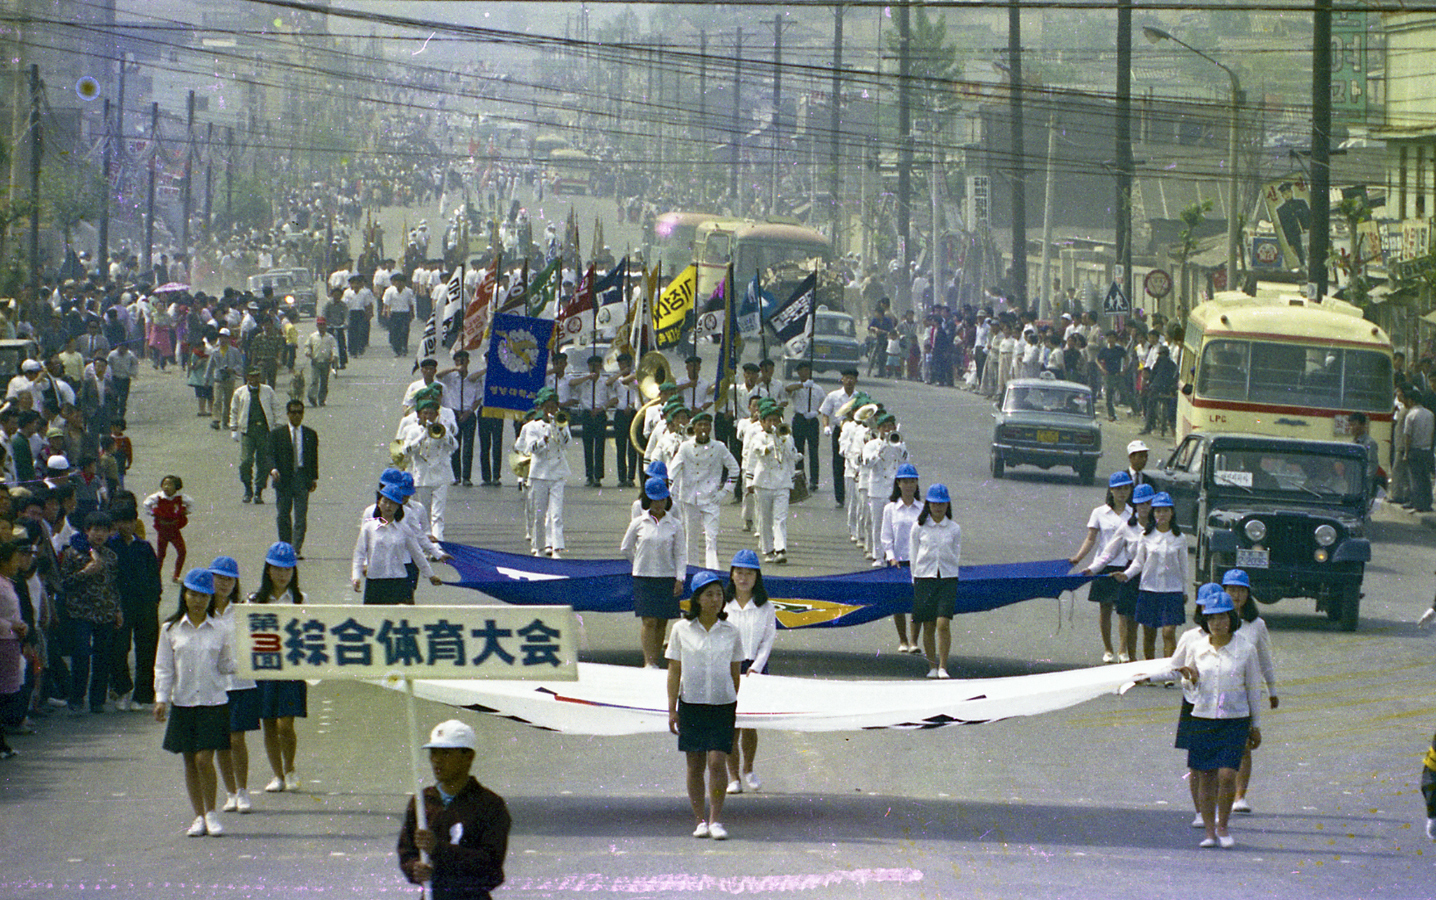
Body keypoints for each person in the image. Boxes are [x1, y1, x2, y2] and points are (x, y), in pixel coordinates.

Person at [1166, 590, 1263, 849]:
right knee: (1205, 776)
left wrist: (1256, 726)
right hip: (1203, 717)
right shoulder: (1196, 648)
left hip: (1235, 719)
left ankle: (1223, 825)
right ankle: (1209, 832)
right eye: (1211, 619)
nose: (1217, 623)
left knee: (1227, 774)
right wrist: (1192, 679)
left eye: (1222, 618)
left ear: (1231, 618)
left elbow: (1253, 689)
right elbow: (1189, 688)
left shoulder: (1246, 649)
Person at [154, 568, 237, 838]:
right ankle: (198, 816)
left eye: (204, 595)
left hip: (214, 701)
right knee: (190, 760)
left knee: (204, 759)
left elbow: (226, 664)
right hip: (184, 702)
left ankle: (212, 813)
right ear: (184, 595)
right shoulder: (170, 628)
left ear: (211, 598)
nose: (198, 600)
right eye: (193, 594)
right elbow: (164, 667)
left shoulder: (220, 628)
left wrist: (243, 661)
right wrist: (161, 698)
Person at [665, 570, 744, 840]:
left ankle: (716, 820)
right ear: (697, 599)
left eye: (719, 595)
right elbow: (674, 670)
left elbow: (736, 672)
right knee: (695, 764)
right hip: (691, 704)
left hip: (722, 705)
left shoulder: (731, 631)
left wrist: (732, 698)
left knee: (716, 762)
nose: (715, 600)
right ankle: (699, 820)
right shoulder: (680, 630)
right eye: (709, 595)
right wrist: (672, 708)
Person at [398, 719, 511, 900]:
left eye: (446, 753)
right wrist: (414, 869)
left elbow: (491, 872)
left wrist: (439, 850)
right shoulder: (421, 802)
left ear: (468, 757)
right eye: (433, 752)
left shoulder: (490, 805)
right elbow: (407, 853)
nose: (436, 760)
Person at [250, 542, 307, 793]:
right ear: (268, 570)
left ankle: (290, 767)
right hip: (265, 668)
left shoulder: (300, 598)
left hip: (291, 668)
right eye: (277, 569)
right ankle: (277, 775)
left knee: (286, 724)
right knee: (269, 723)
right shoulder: (254, 600)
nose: (282, 575)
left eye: (288, 570)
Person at [1221, 568, 1278, 815]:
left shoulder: (1256, 625)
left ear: (1248, 594)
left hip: (1245, 693)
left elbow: (1265, 659)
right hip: (1218, 692)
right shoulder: (1215, 619)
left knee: (1243, 746)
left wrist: (1272, 689)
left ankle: (1239, 797)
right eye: (1231, 590)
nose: (1236, 595)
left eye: (1240, 590)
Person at [1083, 481, 1155, 663]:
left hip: (1153, 578)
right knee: (1130, 621)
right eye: (1140, 504)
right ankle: (1129, 659)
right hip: (1131, 575)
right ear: (1135, 504)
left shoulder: (1161, 528)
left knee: (1148, 625)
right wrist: (1092, 569)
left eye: (1148, 503)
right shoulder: (1127, 527)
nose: (1144, 508)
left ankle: (1150, 666)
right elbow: (1108, 553)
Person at [1069, 472, 1136, 663]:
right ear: (1111, 491)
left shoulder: (1134, 513)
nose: (1122, 493)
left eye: (1125, 488)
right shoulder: (1099, 512)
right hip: (1103, 565)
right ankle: (1108, 650)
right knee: (1105, 608)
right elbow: (1091, 538)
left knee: (1123, 611)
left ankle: (1123, 651)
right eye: (1118, 489)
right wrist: (1078, 557)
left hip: (1126, 566)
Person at [723, 550, 774, 795]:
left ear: (757, 577)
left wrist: (756, 667)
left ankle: (749, 768)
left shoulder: (765, 607)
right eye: (739, 573)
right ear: (732, 576)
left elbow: (767, 641)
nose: (743, 578)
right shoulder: (723, 604)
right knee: (731, 725)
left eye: (749, 574)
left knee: (750, 723)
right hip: (727, 668)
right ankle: (733, 777)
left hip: (756, 668)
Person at [621, 477, 686, 668]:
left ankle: (656, 660)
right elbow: (625, 547)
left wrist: (679, 578)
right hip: (644, 578)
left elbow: (681, 553)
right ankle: (648, 662)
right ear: (648, 501)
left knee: (661, 622)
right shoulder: (639, 523)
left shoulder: (675, 524)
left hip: (667, 577)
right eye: (655, 500)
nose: (659, 505)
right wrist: (638, 563)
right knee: (649, 620)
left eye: (662, 500)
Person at [209, 556, 258, 815]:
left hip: (241, 683)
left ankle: (242, 790)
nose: (224, 583)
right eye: (219, 578)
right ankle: (229, 792)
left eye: (229, 579)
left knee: (237, 739)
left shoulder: (243, 610)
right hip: (214, 684)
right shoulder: (201, 611)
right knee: (222, 741)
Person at [60, 511, 122, 713]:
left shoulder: (111, 556)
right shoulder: (72, 553)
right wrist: (86, 572)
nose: (99, 534)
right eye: (95, 529)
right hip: (81, 613)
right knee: (81, 656)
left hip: (105, 612)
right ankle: (77, 698)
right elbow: (64, 583)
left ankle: (97, 700)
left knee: (103, 657)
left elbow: (114, 586)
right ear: (86, 531)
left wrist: (117, 609)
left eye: (104, 530)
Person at [1115, 491, 1188, 659]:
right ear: (1153, 513)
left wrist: (1184, 592)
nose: (1161, 515)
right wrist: (1126, 575)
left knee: (1168, 632)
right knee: (1149, 635)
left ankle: (1169, 671)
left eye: (1165, 511)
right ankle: (1149, 672)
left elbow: (1184, 567)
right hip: (1149, 590)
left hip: (1172, 591)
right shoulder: (1146, 536)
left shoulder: (1180, 538)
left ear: (1172, 513)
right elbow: (1139, 563)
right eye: (1158, 511)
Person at [105, 504, 161, 712]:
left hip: (145, 606)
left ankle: (142, 695)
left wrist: (155, 598)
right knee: (118, 649)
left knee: (147, 650)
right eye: (122, 522)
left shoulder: (144, 547)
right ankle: (122, 689)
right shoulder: (111, 546)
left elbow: (155, 574)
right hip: (120, 606)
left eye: (130, 522)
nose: (126, 526)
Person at [670, 412, 739, 570]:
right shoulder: (685, 447)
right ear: (693, 427)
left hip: (711, 498)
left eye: (706, 425)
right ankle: (691, 570)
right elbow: (673, 471)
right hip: (689, 498)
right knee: (691, 539)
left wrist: (725, 491)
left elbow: (735, 468)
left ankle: (713, 571)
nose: (703, 428)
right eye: (699, 424)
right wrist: (669, 492)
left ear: (710, 428)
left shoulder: (719, 447)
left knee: (711, 538)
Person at [353, 482, 442, 605]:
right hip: (375, 581)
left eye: (393, 503)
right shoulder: (369, 528)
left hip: (399, 581)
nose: (388, 506)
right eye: (385, 502)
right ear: (378, 503)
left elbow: (417, 554)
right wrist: (356, 577)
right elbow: (359, 554)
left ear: (398, 506)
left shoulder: (404, 529)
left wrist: (430, 575)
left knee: (399, 619)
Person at [910, 484, 961, 679]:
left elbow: (955, 553)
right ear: (928, 504)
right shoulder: (919, 527)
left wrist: (950, 572)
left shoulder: (954, 529)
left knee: (943, 624)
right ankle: (932, 667)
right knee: (929, 625)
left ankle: (943, 666)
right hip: (924, 578)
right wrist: (915, 578)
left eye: (942, 504)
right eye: (934, 504)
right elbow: (913, 554)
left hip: (947, 579)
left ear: (947, 505)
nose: (938, 508)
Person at [515, 390, 570, 558]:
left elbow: (566, 444)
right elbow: (529, 449)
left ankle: (556, 548)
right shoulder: (531, 427)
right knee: (539, 514)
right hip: (539, 474)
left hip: (557, 473)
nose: (551, 411)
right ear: (542, 408)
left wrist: (558, 429)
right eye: (548, 408)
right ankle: (538, 548)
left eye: (554, 407)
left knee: (556, 514)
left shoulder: (562, 424)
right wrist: (543, 439)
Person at [746, 401, 798, 564]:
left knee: (780, 518)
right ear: (762, 423)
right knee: (765, 519)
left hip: (782, 482)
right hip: (764, 482)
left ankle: (780, 549)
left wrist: (784, 441)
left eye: (776, 420)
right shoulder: (758, 437)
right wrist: (773, 442)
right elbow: (759, 452)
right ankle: (768, 549)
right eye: (769, 420)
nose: (773, 424)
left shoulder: (786, 436)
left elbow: (791, 456)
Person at [879, 463, 923, 653]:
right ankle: (903, 640)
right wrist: (891, 557)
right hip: (897, 561)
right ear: (899, 484)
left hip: (918, 562)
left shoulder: (922, 509)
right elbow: (886, 536)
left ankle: (914, 641)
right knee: (898, 603)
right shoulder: (890, 509)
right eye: (906, 482)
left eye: (912, 481)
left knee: (917, 602)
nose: (909, 485)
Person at [268, 401, 319, 558]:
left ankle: (296, 549)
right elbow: (269, 455)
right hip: (283, 479)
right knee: (283, 515)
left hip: (301, 478)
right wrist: (273, 469)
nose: (297, 415)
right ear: (288, 414)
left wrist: (313, 478)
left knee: (300, 516)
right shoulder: (277, 434)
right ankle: (285, 547)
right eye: (293, 412)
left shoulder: (310, 434)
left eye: (299, 412)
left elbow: (313, 458)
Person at [229, 368, 280, 504]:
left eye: (257, 376)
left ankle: (258, 491)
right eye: (252, 377)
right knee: (246, 461)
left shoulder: (267, 390)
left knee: (262, 462)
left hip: (264, 430)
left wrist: (277, 426)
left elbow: (276, 407)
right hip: (248, 431)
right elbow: (234, 411)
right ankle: (247, 489)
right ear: (247, 377)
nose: (255, 379)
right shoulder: (240, 392)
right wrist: (234, 428)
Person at [818, 368, 859, 509]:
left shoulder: (860, 397)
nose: (849, 380)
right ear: (842, 379)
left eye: (852, 378)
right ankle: (839, 497)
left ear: (856, 380)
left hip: (855, 431)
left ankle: (855, 496)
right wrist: (826, 426)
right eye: (846, 377)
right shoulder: (833, 396)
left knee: (855, 462)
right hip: (839, 431)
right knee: (838, 464)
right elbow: (825, 413)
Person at [144, 475, 195, 583]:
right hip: (162, 531)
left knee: (182, 552)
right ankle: (156, 576)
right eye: (164, 484)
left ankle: (176, 575)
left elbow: (191, 503)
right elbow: (146, 504)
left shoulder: (180, 498)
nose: (166, 487)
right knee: (161, 555)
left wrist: (186, 512)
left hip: (174, 530)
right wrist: (152, 513)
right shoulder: (158, 497)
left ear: (176, 487)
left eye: (170, 484)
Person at [303, 317, 338, 408]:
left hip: (326, 362)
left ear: (325, 326)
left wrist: (334, 356)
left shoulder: (330, 337)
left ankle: (321, 399)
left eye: (323, 324)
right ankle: (312, 397)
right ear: (317, 325)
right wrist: (308, 352)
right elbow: (307, 346)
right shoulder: (313, 336)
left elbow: (334, 348)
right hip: (315, 361)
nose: (321, 326)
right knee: (314, 381)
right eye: (319, 324)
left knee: (324, 382)